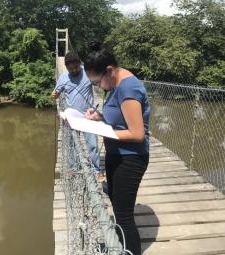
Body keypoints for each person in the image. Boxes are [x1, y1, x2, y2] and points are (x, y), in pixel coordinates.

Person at [84, 42, 150, 255]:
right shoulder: (114, 84)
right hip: (115, 155)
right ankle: (120, 248)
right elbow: (119, 120)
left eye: (96, 81)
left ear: (109, 71)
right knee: (117, 208)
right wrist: (99, 118)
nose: (97, 86)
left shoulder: (128, 87)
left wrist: (101, 130)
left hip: (130, 160)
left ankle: (131, 252)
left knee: (123, 215)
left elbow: (137, 134)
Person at [51, 52, 104, 181]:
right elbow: (56, 94)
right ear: (67, 68)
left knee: (92, 145)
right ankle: (72, 168)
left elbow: (101, 84)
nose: (74, 70)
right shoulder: (63, 77)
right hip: (72, 117)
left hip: (89, 116)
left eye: (76, 67)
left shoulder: (88, 73)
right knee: (72, 144)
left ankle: (96, 170)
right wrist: (54, 94)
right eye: (71, 69)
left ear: (80, 64)